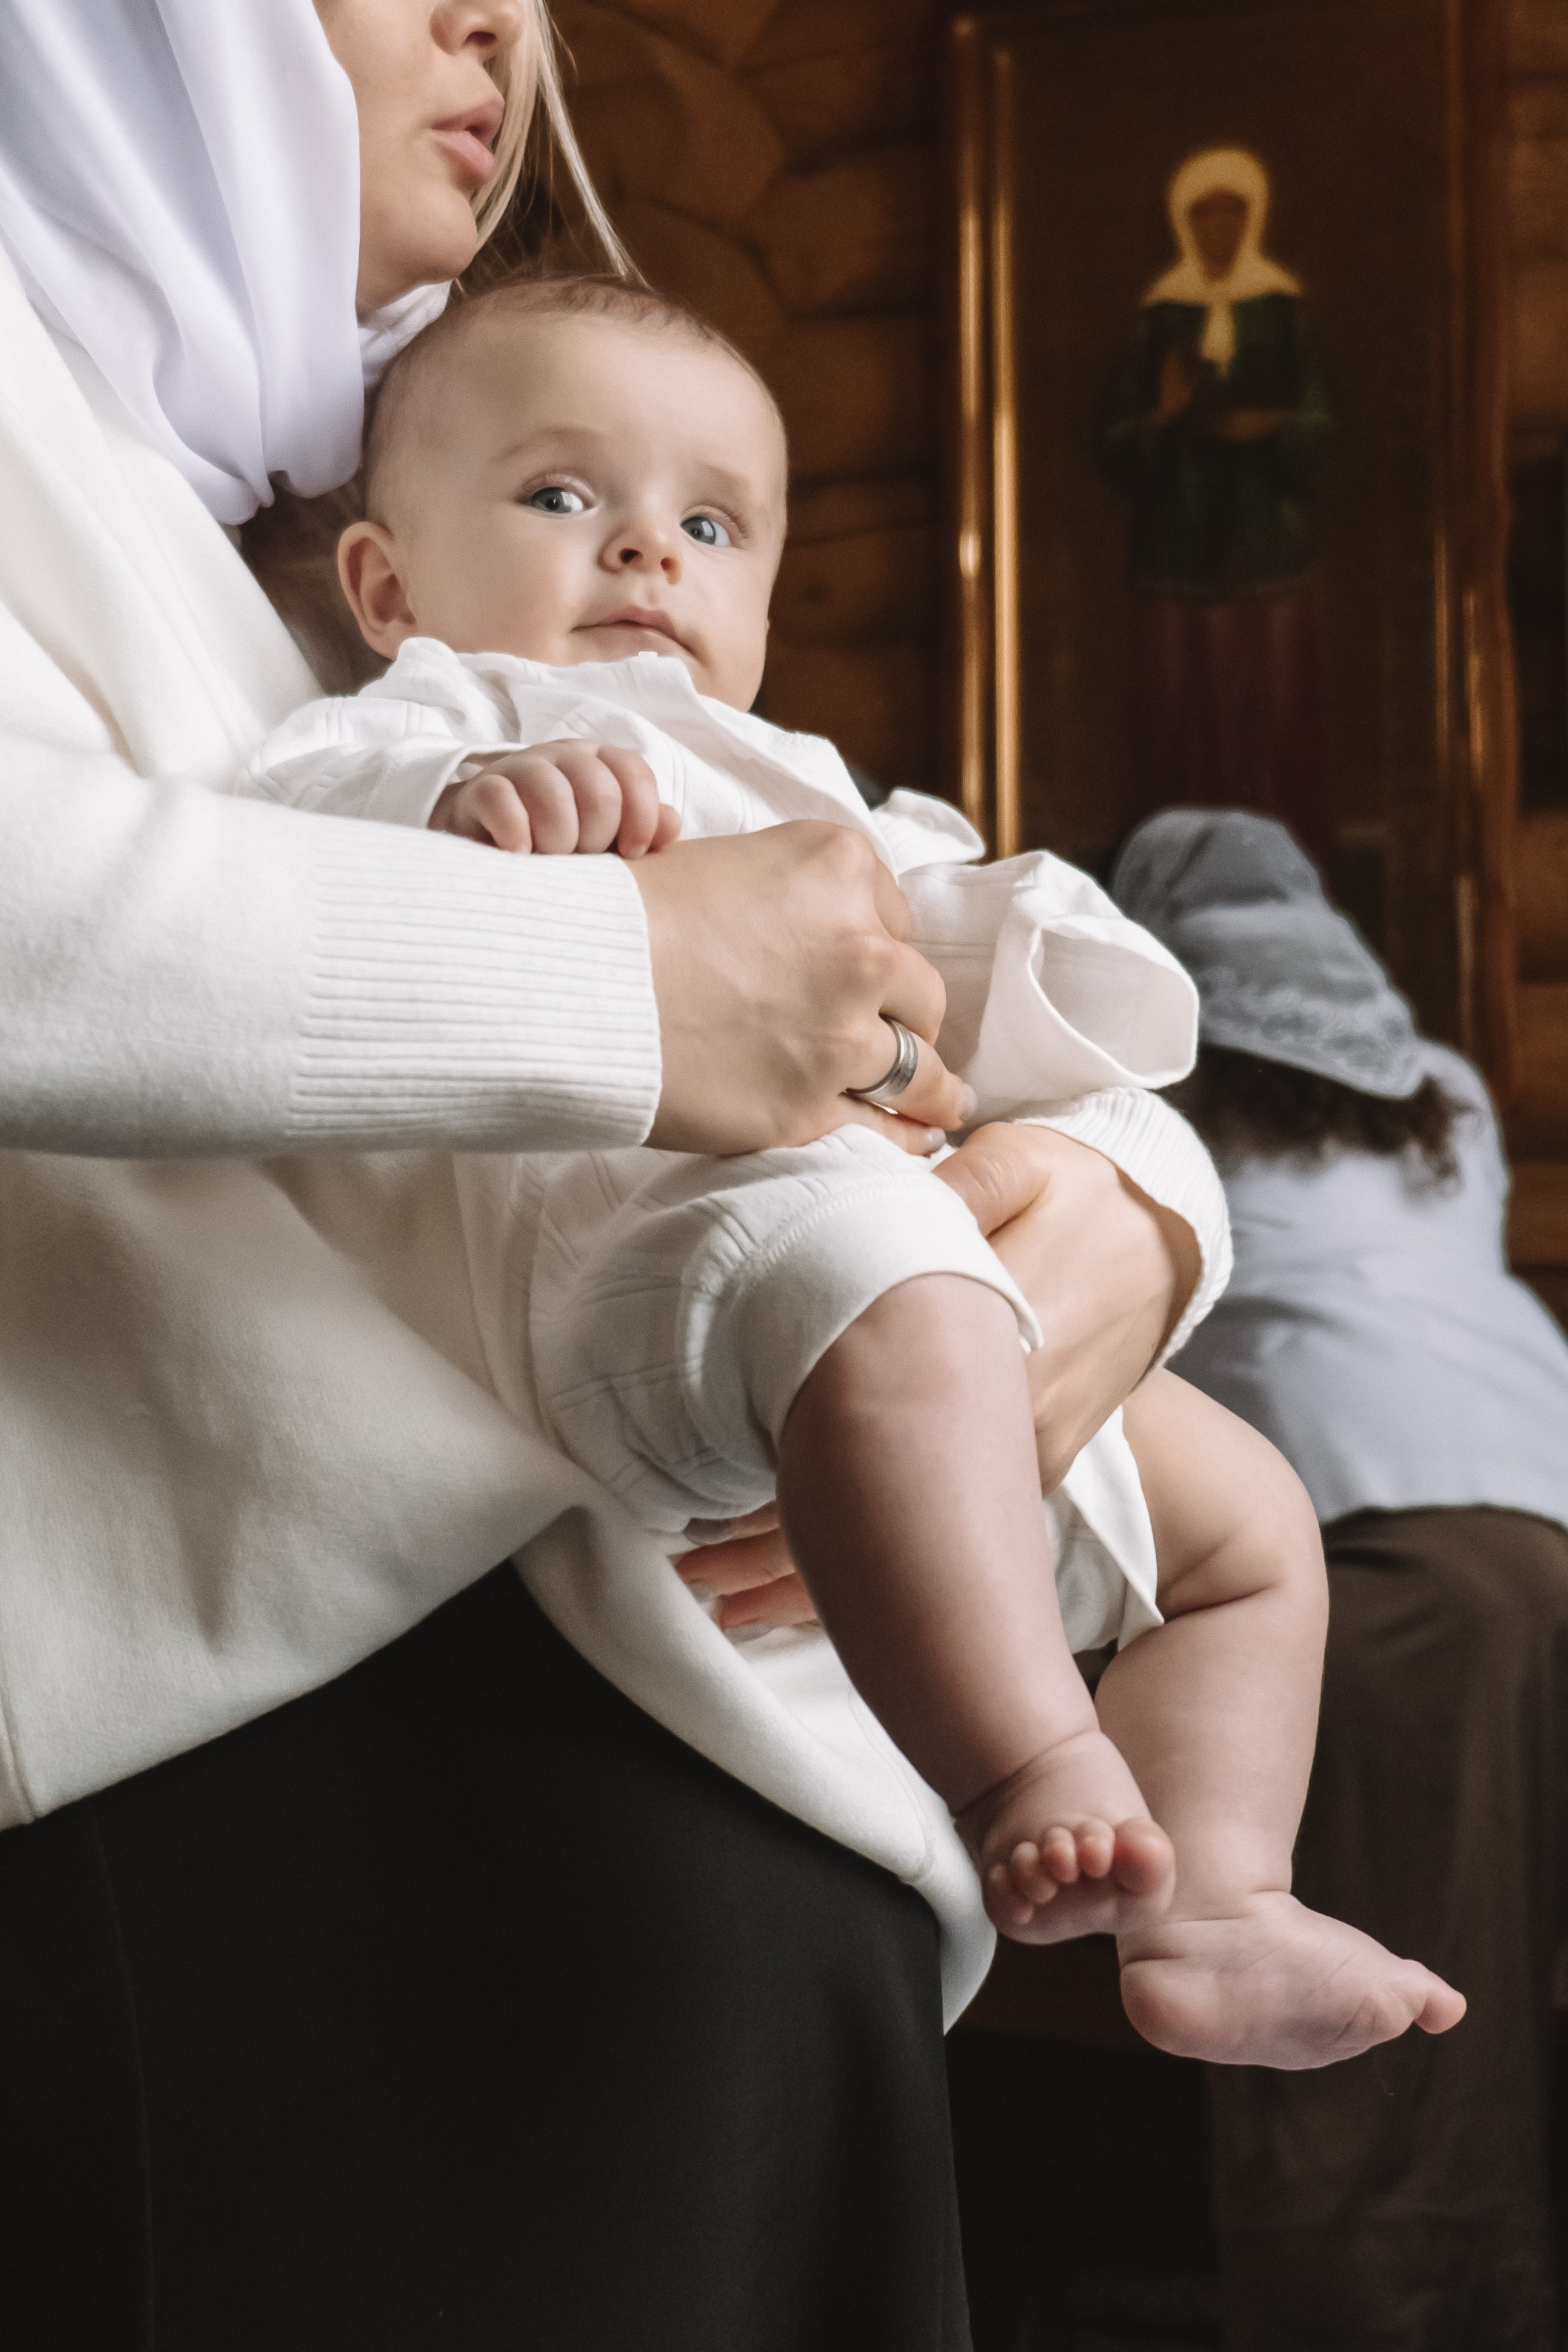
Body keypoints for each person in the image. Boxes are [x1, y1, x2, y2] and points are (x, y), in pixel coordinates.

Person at [0, 5, 1207, 2345]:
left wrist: (1134, 1212)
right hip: (298, 1852)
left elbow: (897, 890)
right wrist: (624, 980)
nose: (494, 31)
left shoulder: (275, 488)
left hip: (691, 1813)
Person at [242, 270, 1464, 2065]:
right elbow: (281, 870)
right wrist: (463, 816)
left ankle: (1215, 1900)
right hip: (657, 1278)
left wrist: (1029, 948)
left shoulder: (812, 783)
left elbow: (1006, 992)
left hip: (919, 1273)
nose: (647, 550)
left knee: (1253, 1526)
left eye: (710, 521)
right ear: (385, 581)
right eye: (565, 495)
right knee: (891, 1293)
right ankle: (1027, 1765)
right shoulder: (422, 724)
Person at [1112, 807, 1568, 2352]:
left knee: (1386, 2042)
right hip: (1543, 1515)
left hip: (1386, 1555)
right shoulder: (1437, 1094)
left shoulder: (1141, 1092)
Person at [1101, 148, 1333, 861]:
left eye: (1233, 211)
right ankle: (1178, 867)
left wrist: (1275, 429)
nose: (1220, 227)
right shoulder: (1156, 320)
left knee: (1271, 712)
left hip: (1269, 548)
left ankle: (1284, 865)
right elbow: (1111, 440)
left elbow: (1324, 421)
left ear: (1253, 217)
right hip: (1175, 550)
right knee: (1182, 714)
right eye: (1205, 214)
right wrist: (1162, 420)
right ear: (1184, 223)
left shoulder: (1283, 312)